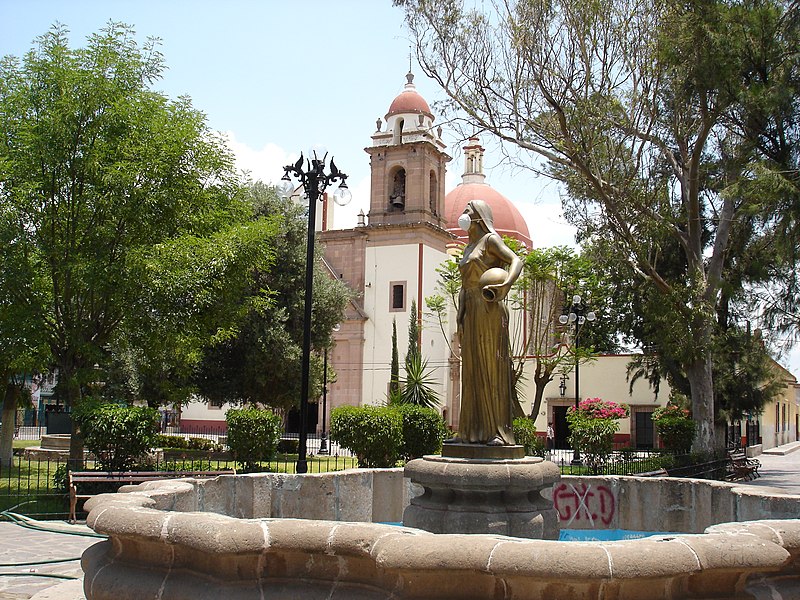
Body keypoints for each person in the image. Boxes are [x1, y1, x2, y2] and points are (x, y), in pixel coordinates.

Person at [453, 199, 524, 446]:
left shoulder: (490, 241)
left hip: (488, 305)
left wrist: (506, 284)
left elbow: (517, 260)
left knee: (490, 368)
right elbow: (464, 285)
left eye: (467, 211)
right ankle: (470, 432)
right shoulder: (467, 247)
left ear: (479, 217)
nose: (463, 214)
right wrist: (460, 312)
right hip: (470, 308)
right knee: (471, 371)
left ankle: (497, 432)